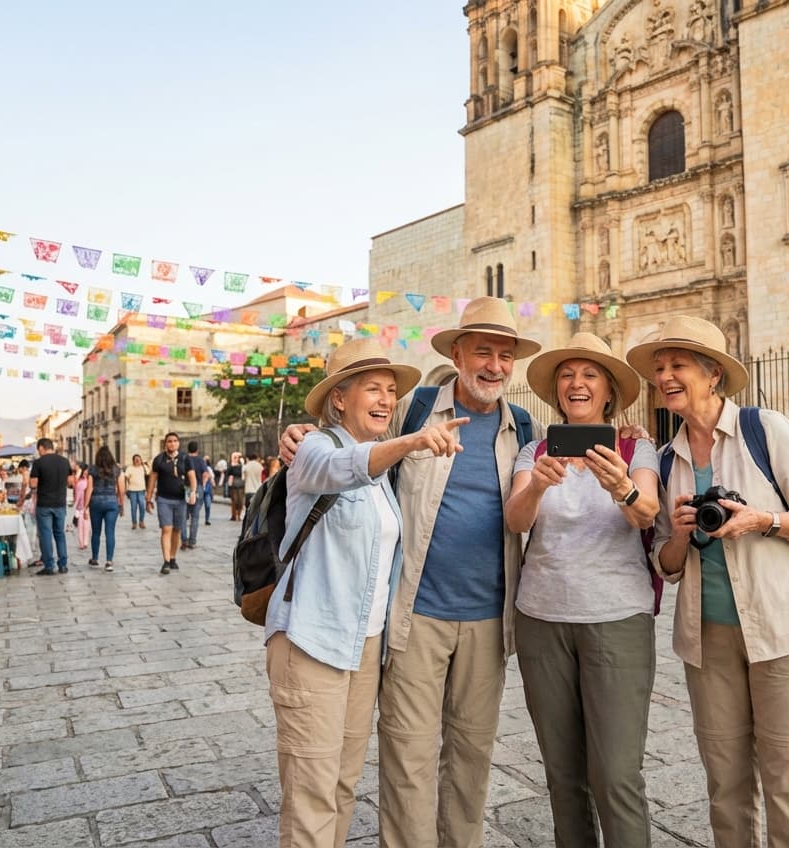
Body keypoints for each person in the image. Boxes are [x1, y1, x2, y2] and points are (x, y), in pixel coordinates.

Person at [279, 296, 545, 848]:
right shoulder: (414, 409)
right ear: (456, 352)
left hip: (488, 621)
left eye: (504, 355)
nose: (493, 365)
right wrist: (301, 434)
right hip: (413, 615)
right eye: (482, 352)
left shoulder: (524, 427)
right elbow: (351, 441)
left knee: (471, 758)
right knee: (407, 756)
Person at [627, 315, 789, 848]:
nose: (666, 378)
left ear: (713, 374)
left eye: (678, 366)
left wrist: (759, 520)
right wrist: (676, 533)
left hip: (785, 630)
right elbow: (666, 564)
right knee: (725, 786)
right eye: (659, 369)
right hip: (709, 639)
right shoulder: (668, 459)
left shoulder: (765, 430)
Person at [265, 339, 440, 848]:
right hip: (312, 640)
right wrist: (410, 443)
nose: (386, 399)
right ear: (339, 399)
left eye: (390, 390)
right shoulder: (316, 449)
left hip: (365, 647)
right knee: (310, 792)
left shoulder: (383, 474)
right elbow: (339, 469)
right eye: (373, 389)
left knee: (341, 783)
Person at [504, 333, 660, 846]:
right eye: (568, 375)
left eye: (590, 374)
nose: (577, 383)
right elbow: (515, 519)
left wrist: (620, 484)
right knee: (563, 775)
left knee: (615, 774)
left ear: (609, 392)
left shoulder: (638, 449)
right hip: (542, 619)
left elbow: (647, 514)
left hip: (617, 619)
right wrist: (542, 483)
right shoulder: (535, 450)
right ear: (557, 392)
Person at [146, 433, 197, 575]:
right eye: (169, 441)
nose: (172, 444)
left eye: (175, 441)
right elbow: (152, 479)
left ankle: (173, 557)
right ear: (165, 444)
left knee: (177, 530)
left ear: (178, 443)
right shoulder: (159, 460)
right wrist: (148, 498)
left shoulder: (185, 459)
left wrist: (193, 492)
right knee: (166, 529)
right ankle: (166, 561)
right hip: (163, 499)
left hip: (181, 500)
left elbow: (192, 477)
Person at [30, 438, 74, 575]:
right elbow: (71, 482)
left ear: (42, 448)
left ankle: (49, 566)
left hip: (44, 504)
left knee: (46, 535)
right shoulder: (64, 461)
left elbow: (33, 484)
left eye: (39, 450)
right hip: (60, 503)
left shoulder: (38, 463)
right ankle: (63, 565)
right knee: (60, 533)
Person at [87, 446, 125, 572]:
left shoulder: (92, 469)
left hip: (96, 502)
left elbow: (89, 488)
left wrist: (85, 506)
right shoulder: (117, 470)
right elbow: (121, 488)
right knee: (110, 532)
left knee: (96, 532)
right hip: (111, 503)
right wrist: (121, 503)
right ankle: (109, 561)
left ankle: (95, 558)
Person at [182, 441, 208, 550]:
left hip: (185, 488)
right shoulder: (200, 460)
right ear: (197, 449)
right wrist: (203, 484)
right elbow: (206, 474)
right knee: (195, 516)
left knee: (183, 515)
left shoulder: (184, 459)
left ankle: (184, 539)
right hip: (197, 488)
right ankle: (192, 541)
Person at [125, 454, 148, 529]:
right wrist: (126, 488)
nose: (137, 460)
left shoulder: (143, 468)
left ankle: (141, 521)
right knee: (133, 507)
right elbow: (126, 478)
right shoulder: (130, 468)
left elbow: (148, 473)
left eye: (139, 459)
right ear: (133, 460)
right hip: (132, 491)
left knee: (142, 506)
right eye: (136, 459)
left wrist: (144, 464)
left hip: (141, 490)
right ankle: (134, 523)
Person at [73, 463, 92, 552]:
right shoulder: (84, 481)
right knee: (83, 525)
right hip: (84, 506)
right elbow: (78, 495)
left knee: (83, 525)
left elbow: (77, 495)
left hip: (83, 506)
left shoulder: (83, 481)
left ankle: (83, 543)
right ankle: (84, 543)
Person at [227, 452, 245, 521]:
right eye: (235, 457)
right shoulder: (231, 467)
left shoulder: (242, 466)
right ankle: (234, 515)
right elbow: (228, 474)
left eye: (238, 457)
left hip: (241, 485)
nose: (236, 459)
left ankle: (239, 515)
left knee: (240, 501)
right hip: (233, 486)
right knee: (234, 501)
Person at [201, 454, 214, 525]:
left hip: (207, 490)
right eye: (205, 460)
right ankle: (192, 516)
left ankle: (207, 519)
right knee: (196, 506)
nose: (206, 461)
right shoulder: (199, 468)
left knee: (208, 505)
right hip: (199, 489)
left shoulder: (209, 469)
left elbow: (212, 477)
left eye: (207, 460)